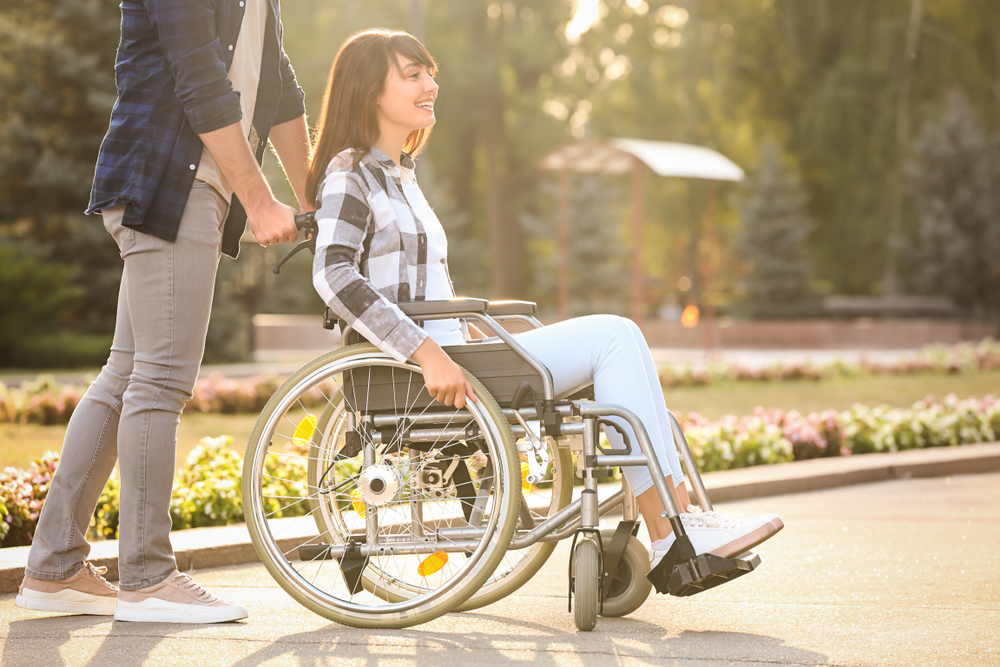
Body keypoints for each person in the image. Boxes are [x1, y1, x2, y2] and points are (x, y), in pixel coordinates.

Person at [308, 29, 782, 578]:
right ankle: (674, 531)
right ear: (370, 91)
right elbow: (334, 275)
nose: (431, 84)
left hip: (460, 350)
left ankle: (680, 525)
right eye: (412, 75)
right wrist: (425, 350)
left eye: (429, 72)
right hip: (420, 369)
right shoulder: (351, 172)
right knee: (614, 336)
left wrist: (466, 326)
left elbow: (421, 289)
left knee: (621, 345)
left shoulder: (399, 174)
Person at [15, 0, 312, 624]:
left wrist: (313, 201)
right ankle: (147, 578)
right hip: (170, 184)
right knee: (160, 381)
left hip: (190, 187)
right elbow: (198, 76)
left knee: (126, 376)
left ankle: (54, 567)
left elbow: (278, 83)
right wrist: (259, 201)